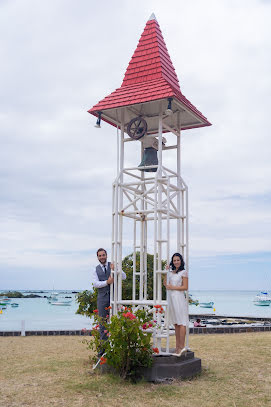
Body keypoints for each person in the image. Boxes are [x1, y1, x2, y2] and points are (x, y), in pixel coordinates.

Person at [92, 248, 126, 350]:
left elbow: (124, 276)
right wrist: (107, 282)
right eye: (100, 256)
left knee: (116, 321)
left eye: (103, 255)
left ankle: (116, 348)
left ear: (106, 255)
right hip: (102, 299)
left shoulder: (113, 265)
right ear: (97, 257)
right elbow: (95, 284)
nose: (102, 257)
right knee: (102, 323)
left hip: (114, 298)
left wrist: (116, 269)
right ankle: (103, 349)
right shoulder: (95, 269)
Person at [163, 252, 188, 356]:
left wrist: (173, 287)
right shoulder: (171, 272)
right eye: (174, 260)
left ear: (181, 261)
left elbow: (185, 287)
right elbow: (165, 284)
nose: (176, 262)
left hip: (179, 298)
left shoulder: (184, 272)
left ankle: (182, 347)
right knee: (176, 323)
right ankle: (177, 348)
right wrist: (166, 271)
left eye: (178, 260)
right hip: (171, 299)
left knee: (182, 322)